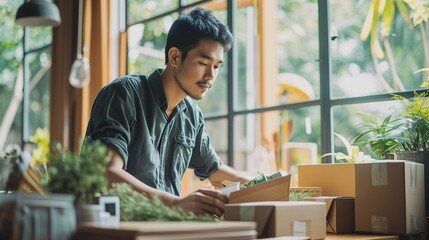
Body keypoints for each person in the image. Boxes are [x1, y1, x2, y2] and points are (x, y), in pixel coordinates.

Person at [85, 7, 248, 217]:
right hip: (115, 228)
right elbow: (107, 173)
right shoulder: (124, 94)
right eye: (203, 63)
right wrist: (177, 204)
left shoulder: (192, 115)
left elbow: (215, 171)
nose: (210, 76)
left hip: (166, 229)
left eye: (216, 66)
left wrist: (264, 185)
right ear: (174, 57)